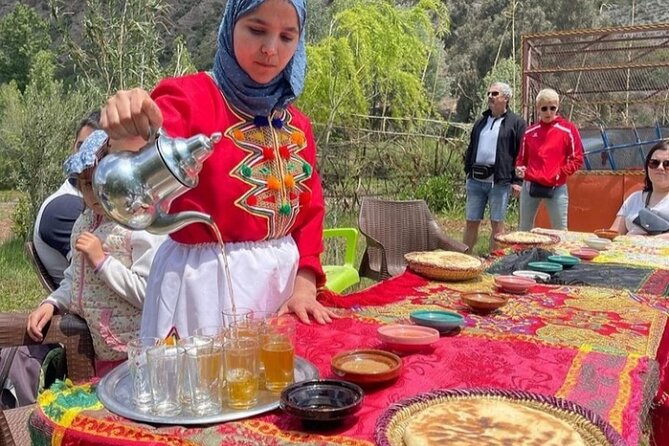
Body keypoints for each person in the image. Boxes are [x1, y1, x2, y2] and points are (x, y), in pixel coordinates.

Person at [96, 0, 337, 341]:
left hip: (284, 293)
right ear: (229, 26)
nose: (270, 49)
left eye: (287, 36)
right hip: (204, 292)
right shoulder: (189, 98)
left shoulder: (297, 125)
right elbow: (148, 140)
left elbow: (310, 212)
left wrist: (305, 284)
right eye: (256, 30)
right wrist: (129, 121)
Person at [26, 131, 166, 377]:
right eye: (89, 184)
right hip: (98, 350)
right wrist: (53, 303)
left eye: (106, 181)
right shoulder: (84, 222)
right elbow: (75, 277)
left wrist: (102, 262)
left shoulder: (138, 224)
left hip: (135, 355)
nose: (96, 192)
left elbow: (149, 292)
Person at [32, 111, 100, 286]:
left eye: (97, 149)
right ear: (73, 147)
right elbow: (89, 276)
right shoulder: (65, 208)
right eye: (81, 146)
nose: (86, 156)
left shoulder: (93, 205)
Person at [463, 82, 526, 252]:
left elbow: (522, 153)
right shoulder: (480, 122)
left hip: (500, 182)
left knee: (497, 223)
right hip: (475, 181)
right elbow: (471, 148)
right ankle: (464, 259)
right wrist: (467, 171)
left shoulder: (517, 123)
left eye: (495, 93)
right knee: (471, 221)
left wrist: (518, 181)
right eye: (489, 93)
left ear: (506, 98)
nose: (490, 96)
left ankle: (494, 261)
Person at [515, 88, 584, 231]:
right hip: (530, 186)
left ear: (557, 108)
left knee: (560, 229)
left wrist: (560, 173)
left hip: (556, 186)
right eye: (544, 108)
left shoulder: (568, 129)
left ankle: (560, 253)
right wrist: (520, 169)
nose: (548, 112)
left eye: (552, 108)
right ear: (538, 109)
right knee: (524, 228)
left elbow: (577, 158)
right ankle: (524, 253)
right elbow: (521, 159)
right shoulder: (529, 132)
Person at [610, 141, 669, 237]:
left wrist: (649, 240)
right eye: (654, 163)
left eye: (667, 164)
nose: (660, 168)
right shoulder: (634, 198)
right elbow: (614, 233)